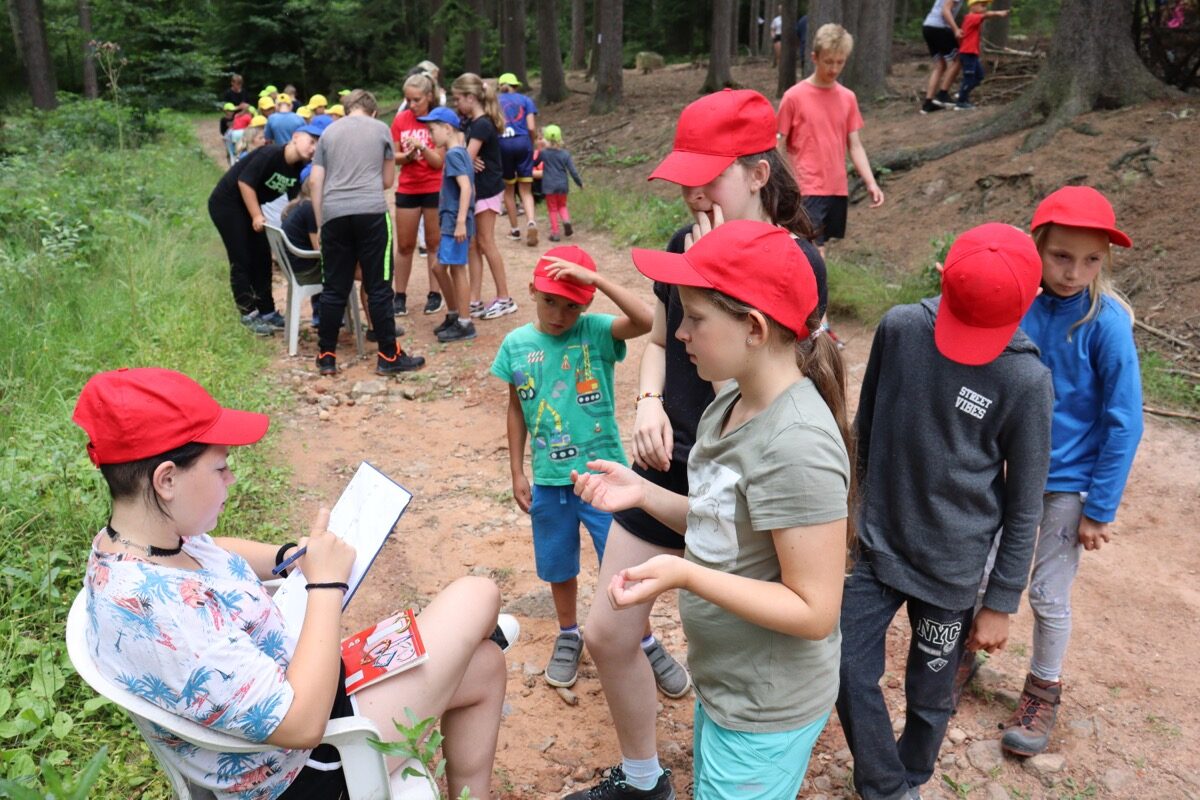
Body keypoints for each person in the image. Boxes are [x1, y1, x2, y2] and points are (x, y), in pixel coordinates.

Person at [74, 366, 514, 800]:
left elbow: (213, 549)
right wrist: (325, 586)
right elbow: (303, 726)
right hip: (304, 764)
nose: (231, 478)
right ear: (167, 479)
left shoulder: (136, 543)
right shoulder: (165, 614)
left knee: (486, 665)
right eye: (220, 468)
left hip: (296, 698)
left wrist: (286, 559)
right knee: (477, 595)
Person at [568, 88, 829, 800]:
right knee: (608, 630)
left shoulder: (797, 264)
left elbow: (761, 398)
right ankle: (644, 776)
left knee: (744, 630)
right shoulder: (681, 247)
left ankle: (760, 743)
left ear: (757, 173)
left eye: (706, 178)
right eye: (683, 179)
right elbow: (660, 340)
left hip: (742, 476)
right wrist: (649, 401)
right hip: (669, 463)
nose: (692, 194)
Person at [836, 222, 1054, 800]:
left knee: (931, 696)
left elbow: (1024, 504)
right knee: (843, 664)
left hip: (951, 570)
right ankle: (886, 786)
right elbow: (864, 429)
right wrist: (847, 519)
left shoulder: (1026, 379)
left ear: (1032, 299)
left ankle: (912, 773)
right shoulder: (901, 329)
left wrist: (1000, 601)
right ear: (940, 278)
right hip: (875, 545)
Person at [993, 187, 1144, 756]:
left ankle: (1043, 689)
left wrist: (1099, 507)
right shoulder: (1017, 306)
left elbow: (1125, 421)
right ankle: (960, 657)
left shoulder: (1106, 323)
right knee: (980, 573)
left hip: (1066, 484)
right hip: (1005, 473)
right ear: (1036, 246)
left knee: (1048, 593)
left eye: (1091, 260)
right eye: (1060, 256)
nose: (1074, 272)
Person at [492, 245, 652, 690]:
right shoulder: (515, 345)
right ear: (532, 291)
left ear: (587, 303)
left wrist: (595, 279)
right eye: (549, 301)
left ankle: (644, 639)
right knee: (558, 562)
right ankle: (568, 633)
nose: (559, 315)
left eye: (571, 305)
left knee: (621, 562)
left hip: (604, 479)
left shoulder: (596, 332)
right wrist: (517, 471)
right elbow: (515, 408)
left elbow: (646, 321)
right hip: (548, 481)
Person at [309, 90, 425, 377]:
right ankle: (388, 355)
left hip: (334, 214)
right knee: (379, 286)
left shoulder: (328, 133)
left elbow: (314, 182)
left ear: (347, 109)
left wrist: (321, 224)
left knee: (334, 288)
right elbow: (387, 180)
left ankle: (326, 356)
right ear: (373, 110)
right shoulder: (380, 129)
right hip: (371, 213)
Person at [777, 23, 885, 259]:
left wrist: (870, 182)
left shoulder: (848, 98)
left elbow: (855, 145)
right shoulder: (794, 97)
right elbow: (778, 144)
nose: (834, 68)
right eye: (828, 61)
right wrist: (779, 182)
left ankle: (809, 282)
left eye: (840, 62)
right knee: (813, 249)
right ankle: (817, 284)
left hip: (835, 186)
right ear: (814, 57)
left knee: (817, 245)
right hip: (805, 185)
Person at [208, 124, 323, 335]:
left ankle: (267, 311)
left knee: (262, 256)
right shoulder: (270, 153)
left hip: (248, 207)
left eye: (318, 145)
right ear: (296, 137)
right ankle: (248, 313)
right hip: (227, 204)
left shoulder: (298, 167)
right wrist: (256, 215)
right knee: (242, 257)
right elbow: (245, 183)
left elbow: (295, 199)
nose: (314, 148)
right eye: (311, 141)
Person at [451, 73, 516, 321]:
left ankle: (504, 298)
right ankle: (474, 299)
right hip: (478, 189)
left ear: (470, 97)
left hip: (487, 189)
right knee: (473, 245)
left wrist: (467, 157)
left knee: (487, 242)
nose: (456, 104)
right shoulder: (471, 122)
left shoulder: (482, 124)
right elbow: (465, 154)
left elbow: (464, 158)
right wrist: (467, 156)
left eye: (458, 99)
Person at [391, 71, 448, 319]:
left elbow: (438, 162)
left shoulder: (439, 120)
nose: (412, 105)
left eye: (417, 100)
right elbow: (394, 156)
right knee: (405, 245)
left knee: (434, 243)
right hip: (408, 188)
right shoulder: (401, 120)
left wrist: (422, 147)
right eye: (408, 100)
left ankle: (435, 293)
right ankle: (399, 295)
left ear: (429, 96)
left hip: (434, 187)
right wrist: (407, 156)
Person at [419, 105, 477, 344]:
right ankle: (454, 314)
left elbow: (466, 188)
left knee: (456, 269)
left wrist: (461, 221)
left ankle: (464, 322)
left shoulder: (453, 155)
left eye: (432, 130)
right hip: (452, 221)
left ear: (447, 129)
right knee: (439, 267)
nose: (430, 136)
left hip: (455, 222)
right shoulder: (459, 152)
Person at [496, 73, 540, 247]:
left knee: (508, 189)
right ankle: (531, 222)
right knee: (526, 190)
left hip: (503, 144)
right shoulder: (526, 100)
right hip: (523, 143)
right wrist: (531, 143)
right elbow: (531, 127)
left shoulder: (495, 101)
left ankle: (515, 230)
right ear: (515, 86)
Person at [955, 0, 1009, 110]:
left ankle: (963, 93)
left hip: (972, 52)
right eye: (982, 5)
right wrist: (998, 13)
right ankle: (961, 102)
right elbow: (986, 15)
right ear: (972, 6)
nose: (985, 8)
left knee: (979, 76)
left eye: (986, 6)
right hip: (968, 52)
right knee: (969, 77)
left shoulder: (974, 18)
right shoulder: (971, 17)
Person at [534, 124, 583, 243]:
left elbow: (535, 163)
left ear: (546, 140)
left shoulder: (544, 153)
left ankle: (555, 233)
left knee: (552, 209)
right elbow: (573, 171)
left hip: (549, 186)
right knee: (562, 205)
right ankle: (566, 221)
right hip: (562, 185)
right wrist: (579, 183)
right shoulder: (565, 154)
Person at [920, 0, 964, 114]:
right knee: (959, 59)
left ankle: (928, 104)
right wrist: (955, 29)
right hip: (939, 28)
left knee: (940, 65)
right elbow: (945, 10)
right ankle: (942, 95)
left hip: (928, 26)